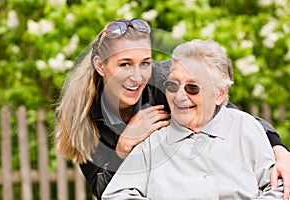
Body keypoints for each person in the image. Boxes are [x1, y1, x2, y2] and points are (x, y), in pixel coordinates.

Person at [53, 18, 290, 200]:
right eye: (124, 64)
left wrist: (279, 151)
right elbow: (104, 190)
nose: (137, 77)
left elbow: (225, 113)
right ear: (100, 66)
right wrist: (123, 147)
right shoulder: (78, 116)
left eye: (145, 63)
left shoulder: (167, 78)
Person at [102, 39, 284, 199]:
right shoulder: (152, 139)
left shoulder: (245, 128)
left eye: (193, 87)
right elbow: (117, 195)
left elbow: (278, 188)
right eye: (173, 85)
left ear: (220, 93)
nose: (179, 96)